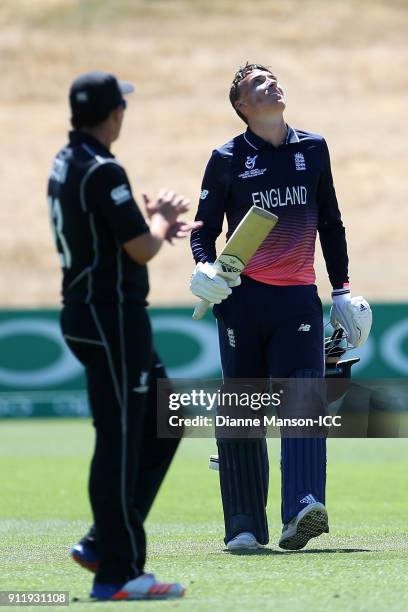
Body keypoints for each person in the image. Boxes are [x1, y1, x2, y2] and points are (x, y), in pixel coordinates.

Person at [190, 63, 372, 552]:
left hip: (296, 297)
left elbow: (331, 222)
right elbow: (203, 229)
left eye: (273, 79)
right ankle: (245, 526)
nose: (272, 85)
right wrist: (205, 269)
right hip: (243, 300)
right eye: (258, 84)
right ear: (243, 106)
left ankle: (304, 508)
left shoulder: (313, 148)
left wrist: (341, 290)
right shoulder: (227, 157)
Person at [48, 71, 201, 601]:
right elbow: (140, 248)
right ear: (115, 113)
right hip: (110, 317)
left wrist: (149, 225)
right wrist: (159, 223)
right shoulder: (102, 167)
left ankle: (103, 541)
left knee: (166, 421)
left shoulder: (67, 161)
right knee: (121, 439)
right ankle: (118, 573)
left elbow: (112, 237)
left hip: (92, 315)